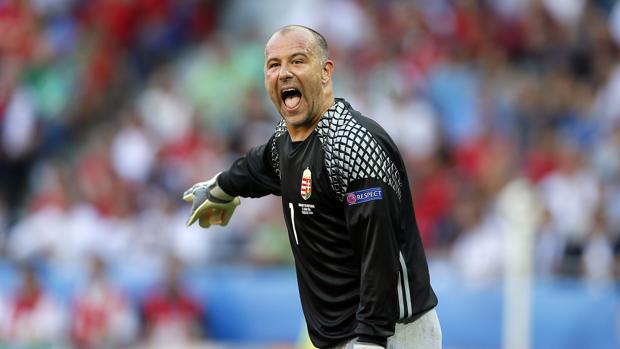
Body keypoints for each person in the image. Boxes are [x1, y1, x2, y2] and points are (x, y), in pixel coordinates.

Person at [183, 25, 441, 349]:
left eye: (298, 61)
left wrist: (372, 338)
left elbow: (380, 250)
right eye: (274, 65)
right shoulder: (287, 138)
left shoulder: (352, 145)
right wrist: (220, 188)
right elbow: (257, 164)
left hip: (392, 333)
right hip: (339, 335)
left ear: (325, 71)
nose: (284, 73)